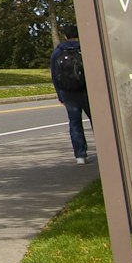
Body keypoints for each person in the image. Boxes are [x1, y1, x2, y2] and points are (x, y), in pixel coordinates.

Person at [49, 28, 91, 165]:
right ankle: (106, 150)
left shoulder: (58, 52)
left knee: (75, 123)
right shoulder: (85, 48)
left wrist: (60, 94)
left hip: (68, 93)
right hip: (86, 91)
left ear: (65, 36)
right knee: (97, 121)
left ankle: (80, 156)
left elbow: (55, 76)